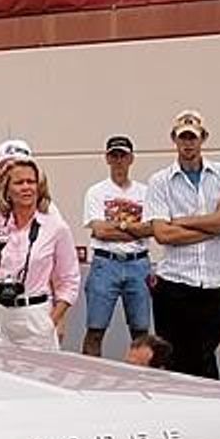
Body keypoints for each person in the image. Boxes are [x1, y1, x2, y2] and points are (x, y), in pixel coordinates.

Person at [144, 110, 220, 379]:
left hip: (215, 281)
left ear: (203, 139)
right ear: (174, 140)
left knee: (205, 352)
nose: (188, 144)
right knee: (175, 357)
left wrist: (183, 221)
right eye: (183, 138)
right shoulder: (159, 181)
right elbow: (163, 234)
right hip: (175, 282)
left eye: (193, 138)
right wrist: (215, 225)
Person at [0, 157, 80, 351]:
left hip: (35, 315)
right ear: (7, 191)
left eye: (31, 182)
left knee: (38, 376)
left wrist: (51, 322)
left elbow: (69, 281)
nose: (26, 187)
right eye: (19, 183)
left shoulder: (55, 227)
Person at [81, 136, 154, 357]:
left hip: (138, 263)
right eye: (114, 155)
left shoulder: (145, 192)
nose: (119, 160)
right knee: (95, 329)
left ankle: (142, 376)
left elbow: (151, 228)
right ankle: (89, 377)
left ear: (131, 158)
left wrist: (117, 227)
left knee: (141, 331)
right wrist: (133, 228)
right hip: (106, 263)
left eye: (123, 155)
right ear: (107, 158)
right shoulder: (96, 192)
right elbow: (99, 230)